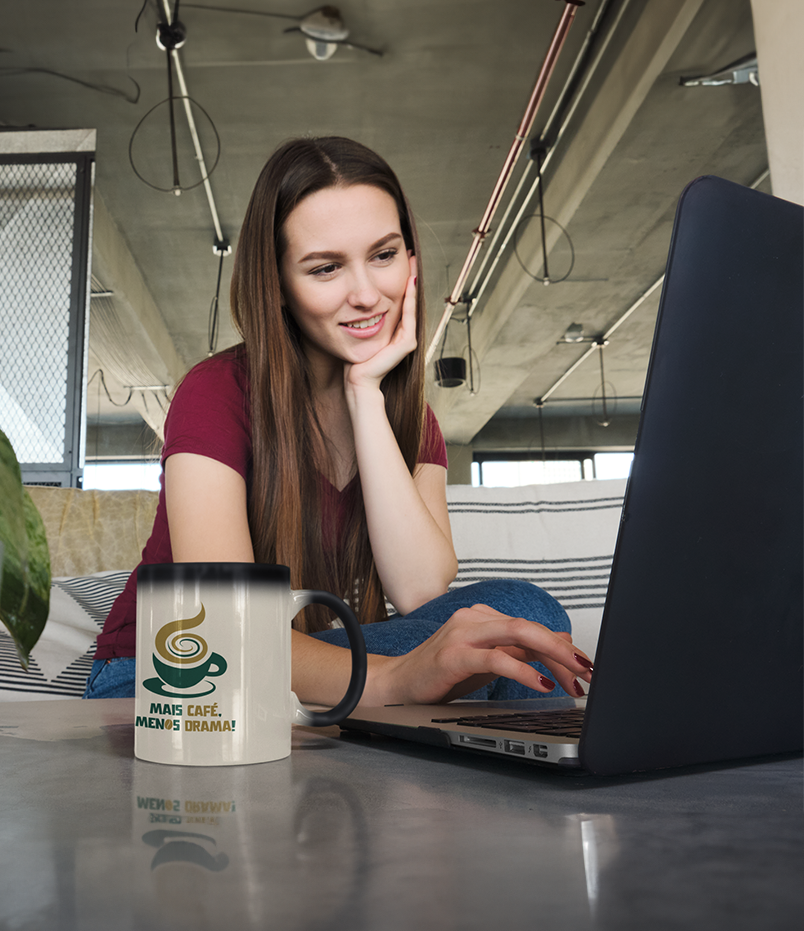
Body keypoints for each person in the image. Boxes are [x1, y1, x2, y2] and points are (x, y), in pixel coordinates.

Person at [85, 136, 594, 703]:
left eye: (383, 255)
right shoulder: (216, 392)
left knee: (513, 625)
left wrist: (366, 395)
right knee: (522, 616)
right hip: (170, 680)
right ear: (277, 285)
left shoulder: (406, 415)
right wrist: (398, 680)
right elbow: (225, 629)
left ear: (412, 263)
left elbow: (420, 591)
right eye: (326, 268)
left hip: (305, 678)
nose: (367, 294)